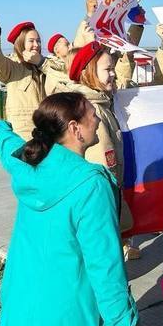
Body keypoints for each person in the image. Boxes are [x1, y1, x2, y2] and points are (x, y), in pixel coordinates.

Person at [0, 92, 141, 326]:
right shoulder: (91, 186)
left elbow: (6, 145)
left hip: (22, 304)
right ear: (75, 128)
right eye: (92, 114)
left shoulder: (29, 161)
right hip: (67, 316)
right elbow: (104, 266)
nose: (98, 120)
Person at [64, 42, 138, 260]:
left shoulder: (102, 103)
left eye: (112, 68)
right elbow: (104, 168)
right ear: (89, 73)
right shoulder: (92, 111)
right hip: (101, 205)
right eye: (107, 70)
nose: (113, 74)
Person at [0, 9, 54, 140]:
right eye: (31, 41)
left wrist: (41, 63)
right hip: (24, 134)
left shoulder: (46, 65)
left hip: (49, 132)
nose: (36, 45)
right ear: (20, 43)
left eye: (38, 41)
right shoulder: (12, 67)